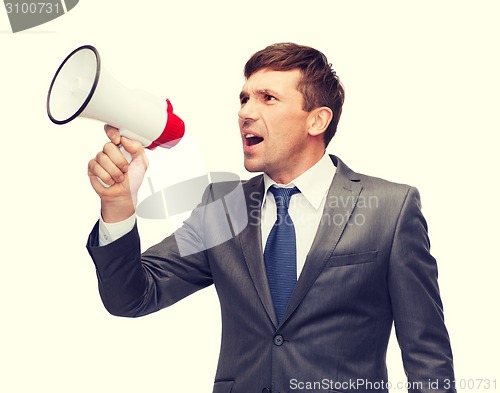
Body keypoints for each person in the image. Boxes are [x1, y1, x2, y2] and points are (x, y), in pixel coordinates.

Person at [86, 43, 456, 393]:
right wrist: (119, 207)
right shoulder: (224, 208)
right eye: (245, 98)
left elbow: (427, 358)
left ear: (317, 121)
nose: (245, 112)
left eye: (268, 98)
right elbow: (132, 297)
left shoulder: (389, 208)